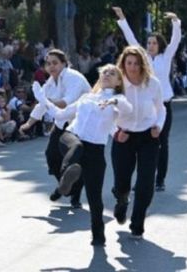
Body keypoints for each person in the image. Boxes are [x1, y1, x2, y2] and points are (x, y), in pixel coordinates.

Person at [32, 64, 132, 246]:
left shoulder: (118, 100)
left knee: (94, 197)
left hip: (95, 150)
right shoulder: (87, 97)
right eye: (104, 73)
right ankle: (65, 180)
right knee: (76, 147)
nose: (107, 75)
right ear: (99, 78)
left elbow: (125, 111)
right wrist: (43, 99)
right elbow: (61, 114)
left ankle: (98, 235)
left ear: (119, 81)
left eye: (112, 73)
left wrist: (114, 105)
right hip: (71, 137)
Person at [113, 7, 180, 192]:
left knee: (161, 141)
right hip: (144, 106)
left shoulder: (165, 57)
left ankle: (160, 179)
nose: (150, 45)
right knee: (140, 143)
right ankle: (141, 180)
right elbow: (131, 40)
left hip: (163, 104)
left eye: (153, 43)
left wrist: (175, 22)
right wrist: (122, 19)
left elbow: (175, 40)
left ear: (160, 45)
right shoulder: (142, 58)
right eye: (148, 42)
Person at [19, 49, 91, 207]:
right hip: (62, 122)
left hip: (81, 124)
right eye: (48, 63)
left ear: (64, 63)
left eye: (55, 63)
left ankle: (74, 196)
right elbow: (41, 105)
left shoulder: (74, 78)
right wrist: (29, 124)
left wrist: (45, 100)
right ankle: (66, 187)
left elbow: (66, 102)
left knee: (73, 159)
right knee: (51, 155)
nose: (51, 66)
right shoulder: (50, 82)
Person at [111, 46, 164, 240]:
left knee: (145, 182)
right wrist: (116, 133)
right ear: (123, 64)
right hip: (123, 136)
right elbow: (106, 113)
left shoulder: (153, 84)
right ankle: (121, 200)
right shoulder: (117, 84)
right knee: (121, 182)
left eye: (136, 63)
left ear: (143, 64)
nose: (132, 68)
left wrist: (158, 125)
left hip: (147, 136)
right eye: (128, 63)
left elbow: (161, 109)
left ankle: (137, 222)